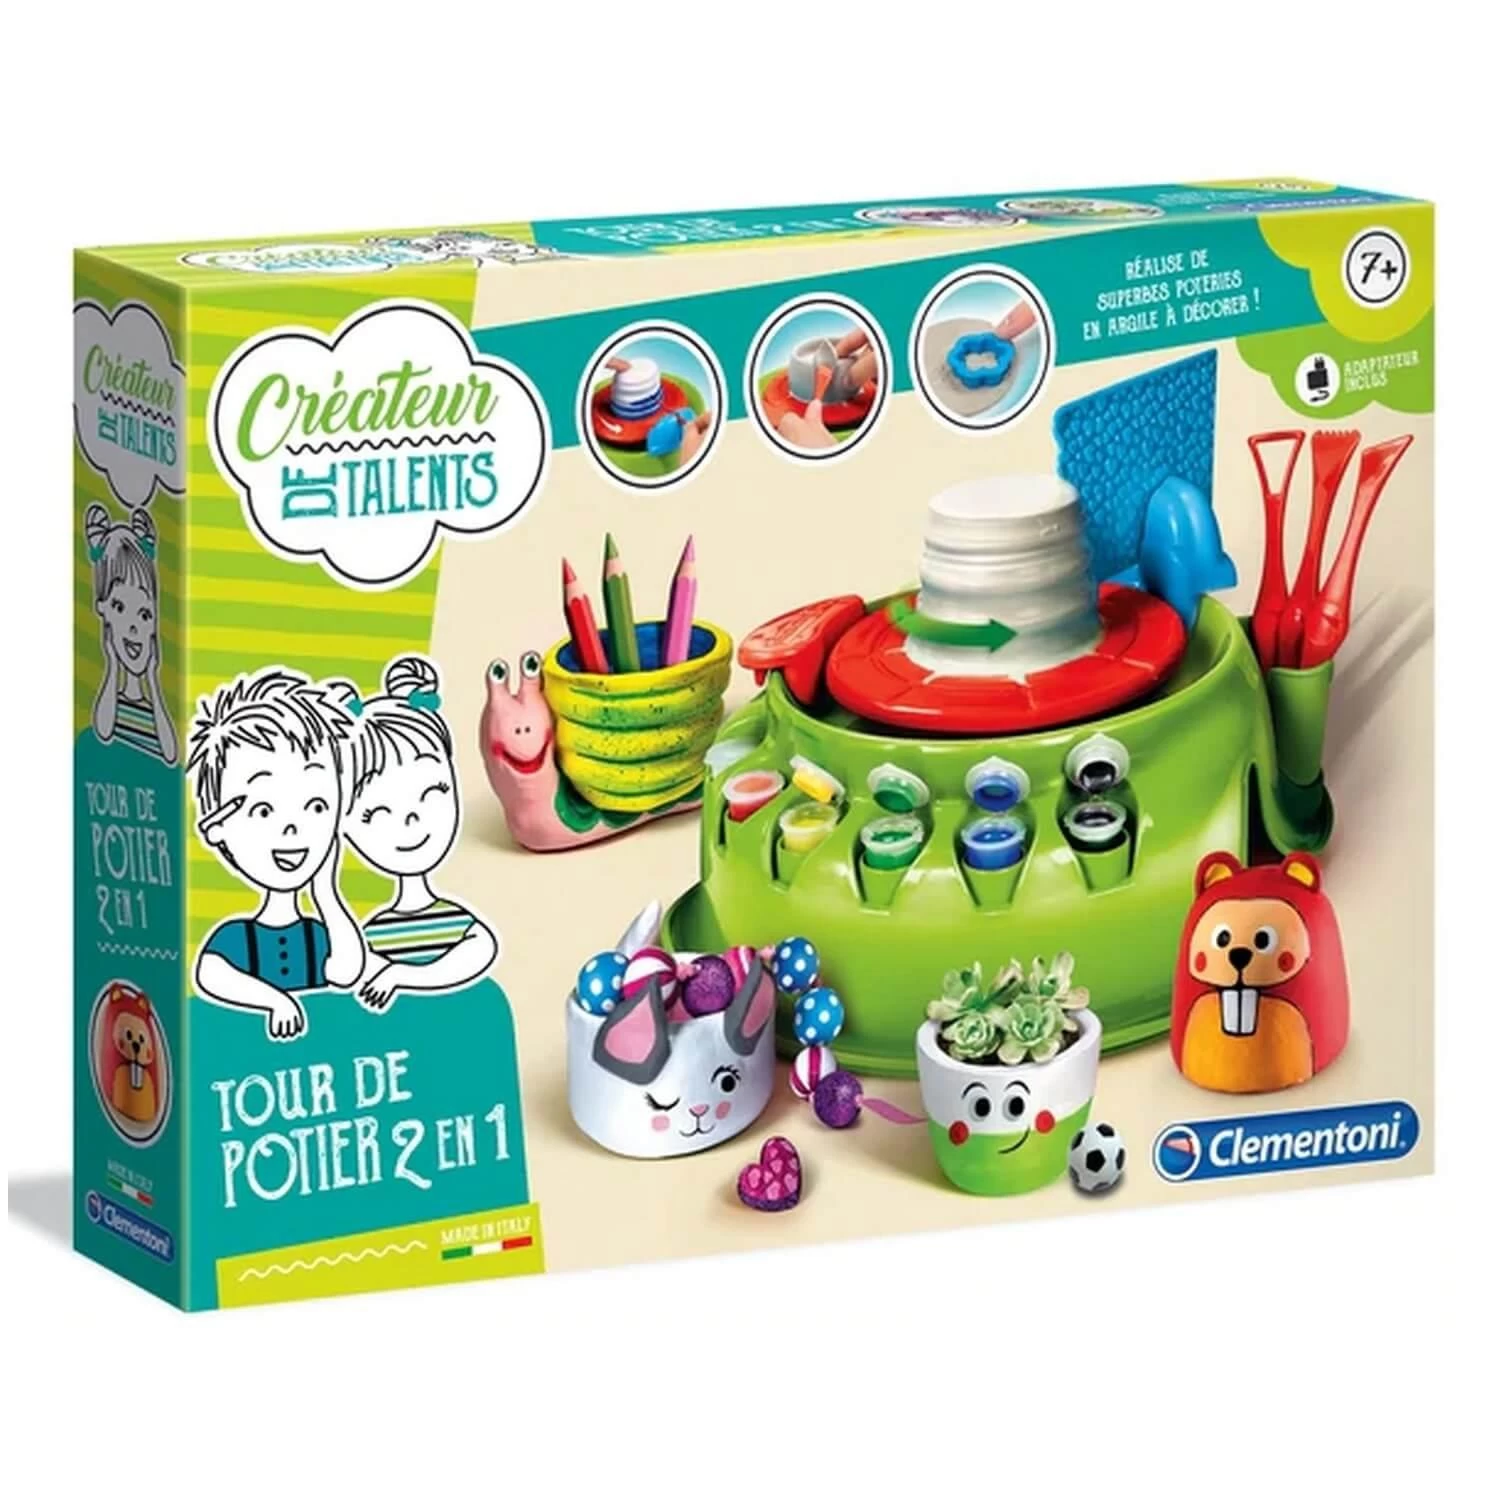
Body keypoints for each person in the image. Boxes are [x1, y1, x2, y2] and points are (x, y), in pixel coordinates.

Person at [187, 668, 364, 1040]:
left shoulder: (317, 935)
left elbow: (347, 972)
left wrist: (326, 894)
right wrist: (274, 1001)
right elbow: (210, 974)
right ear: (217, 827)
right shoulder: (238, 937)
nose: (292, 829)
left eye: (316, 807)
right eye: (264, 810)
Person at [334, 657, 498, 1010]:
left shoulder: (455, 922)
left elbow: (479, 951)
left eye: (434, 793)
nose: (411, 820)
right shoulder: (372, 935)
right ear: (345, 823)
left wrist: (401, 975)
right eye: (378, 813)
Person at [85, 503, 176, 763]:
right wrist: (112, 666)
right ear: (102, 608)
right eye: (120, 608)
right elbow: (103, 731)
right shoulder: (111, 703)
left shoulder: (154, 709)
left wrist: (153, 680)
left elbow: (171, 754)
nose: (133, 627)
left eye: (144, 614)